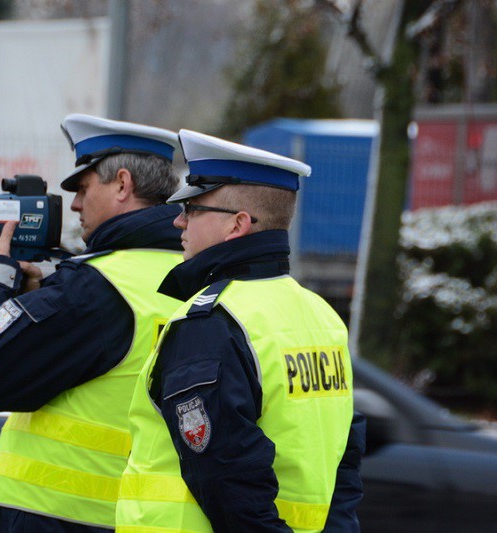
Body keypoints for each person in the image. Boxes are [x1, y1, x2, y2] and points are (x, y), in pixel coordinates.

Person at [115, 129, 366, 532]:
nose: (178, 219)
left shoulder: (211, 323)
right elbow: (345, 463)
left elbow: (226, 479)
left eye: (193, 208)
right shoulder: (321, 316)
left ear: (237, 225)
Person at [0, 114, 185, 532]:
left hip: (54, 514)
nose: (74, 204)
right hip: (137, 517)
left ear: (123, 185)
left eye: (82, 187)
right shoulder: (194, 278)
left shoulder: (98, 287)